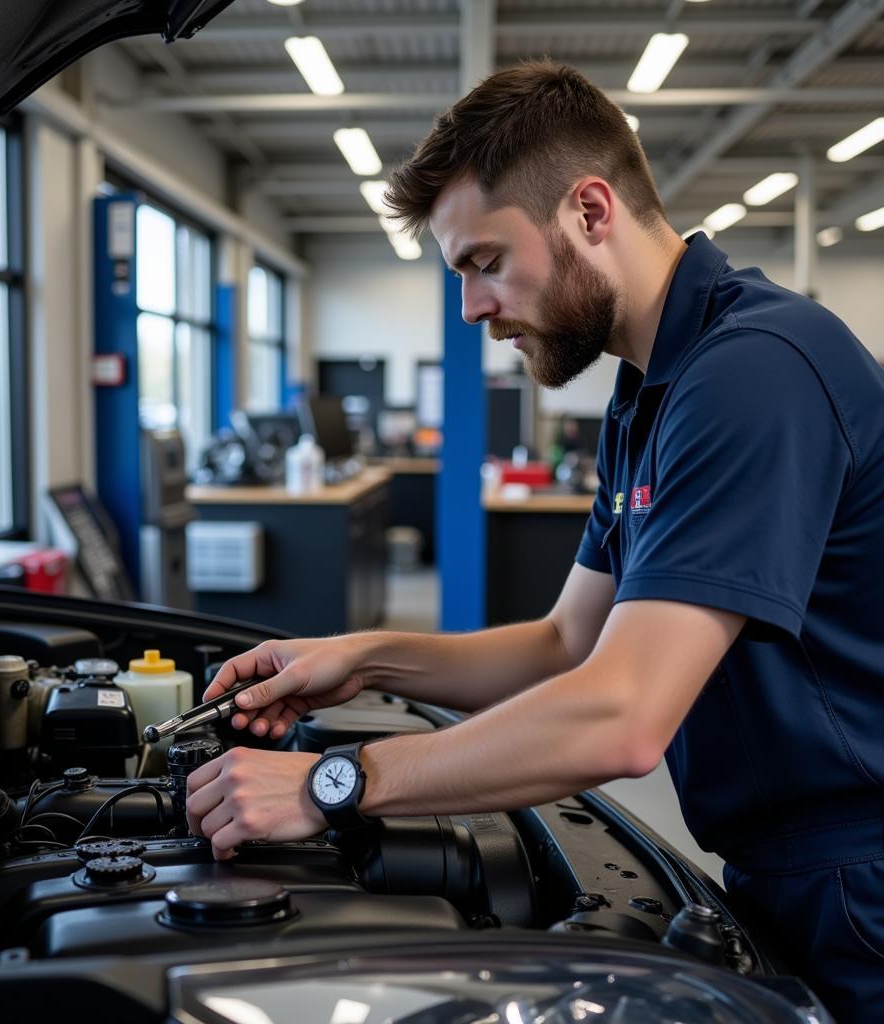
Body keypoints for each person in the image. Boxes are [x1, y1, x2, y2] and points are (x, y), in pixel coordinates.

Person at [185, 61, 884, 1021]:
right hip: (792, 868)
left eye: (484, 262)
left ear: (591, 212)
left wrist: (333, 784)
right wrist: (363, 658)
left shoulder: (755, 373)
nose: (473, 308)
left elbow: (622, 714)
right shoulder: (652, 394)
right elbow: (567, 643)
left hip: (862, 883)